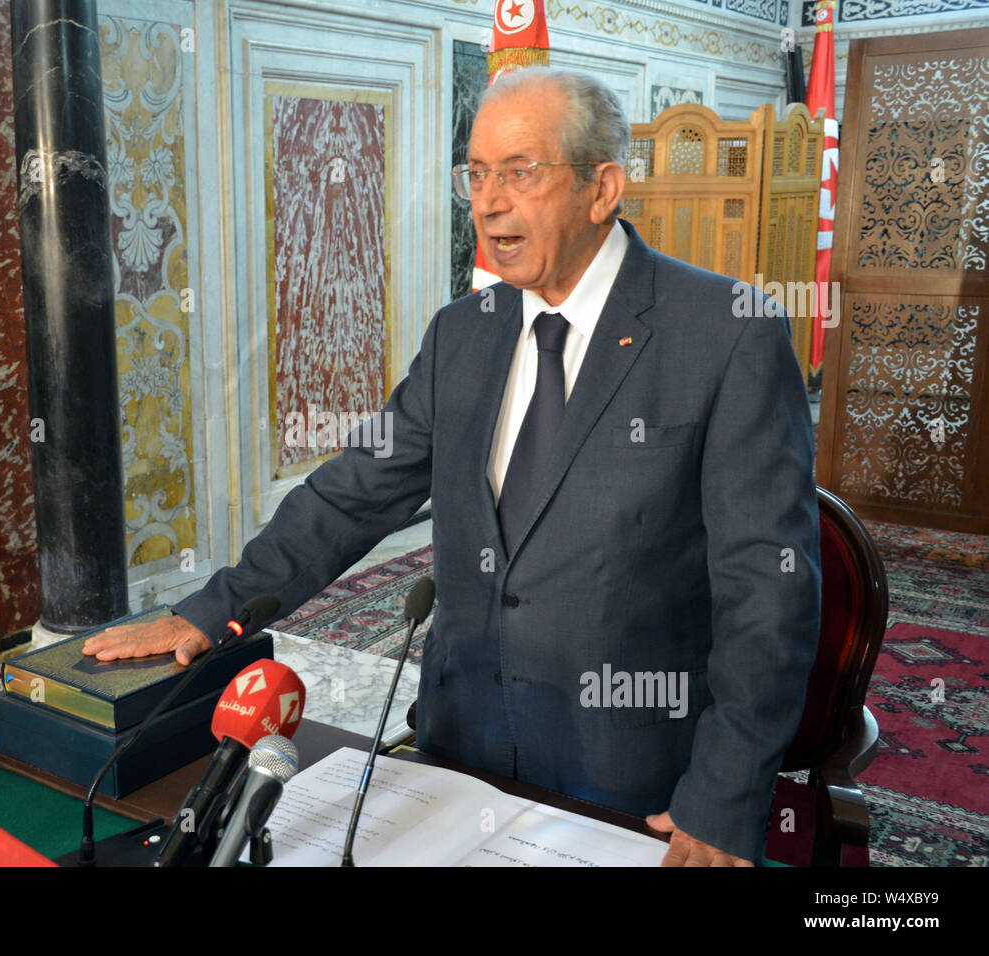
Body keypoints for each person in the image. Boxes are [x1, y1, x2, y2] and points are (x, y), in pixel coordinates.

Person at [84, 67, 821, 866]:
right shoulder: (463, 332)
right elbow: (350, 494)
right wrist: (211, 610)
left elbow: (769, 588)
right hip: (459, 744)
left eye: (519, 172)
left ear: (602, 188)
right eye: (476, 173)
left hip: (628, 776)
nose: (488, 201)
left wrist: (724, 795)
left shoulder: (728, 334)